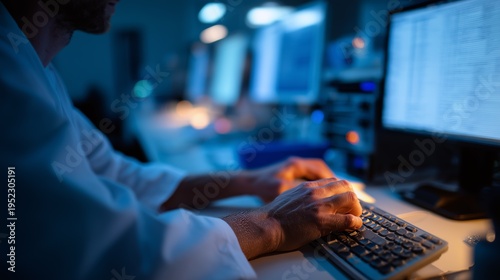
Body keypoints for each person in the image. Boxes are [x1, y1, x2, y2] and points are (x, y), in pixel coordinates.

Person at [0, 0, 363, 279]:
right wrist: (273, 225)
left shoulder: (36, 68)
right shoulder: (8, 76)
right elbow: (107, 251)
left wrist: (250, 181)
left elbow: (119, 176)